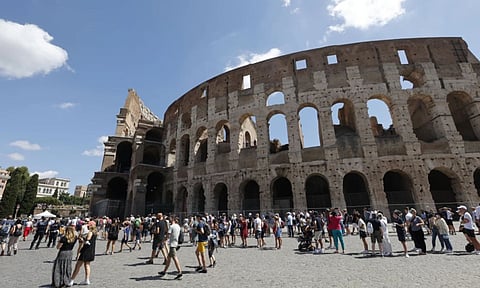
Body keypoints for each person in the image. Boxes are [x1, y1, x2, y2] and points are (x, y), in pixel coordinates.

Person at [69, 221, 97, 286]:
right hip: (91, 250)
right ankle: (87, 280)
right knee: (87, 265)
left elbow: (88, 240)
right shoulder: (95, 233)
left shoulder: (90, 232)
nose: (87, 226)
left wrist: (82, 240)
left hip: (86, 250)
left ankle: (72, 280)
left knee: (78, 265)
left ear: (91, 226)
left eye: (88, 225)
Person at [157, 215, 183, 280]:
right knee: (168, 258)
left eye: (170, 219)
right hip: (176, 243)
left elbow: (167, 236)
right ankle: (164, 271)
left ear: (173, 219)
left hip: (172, 244)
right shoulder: (178, 226)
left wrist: (163, 241)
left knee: (174, 258)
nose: (169, 220)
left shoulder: (171, 226)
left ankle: (180, 272)